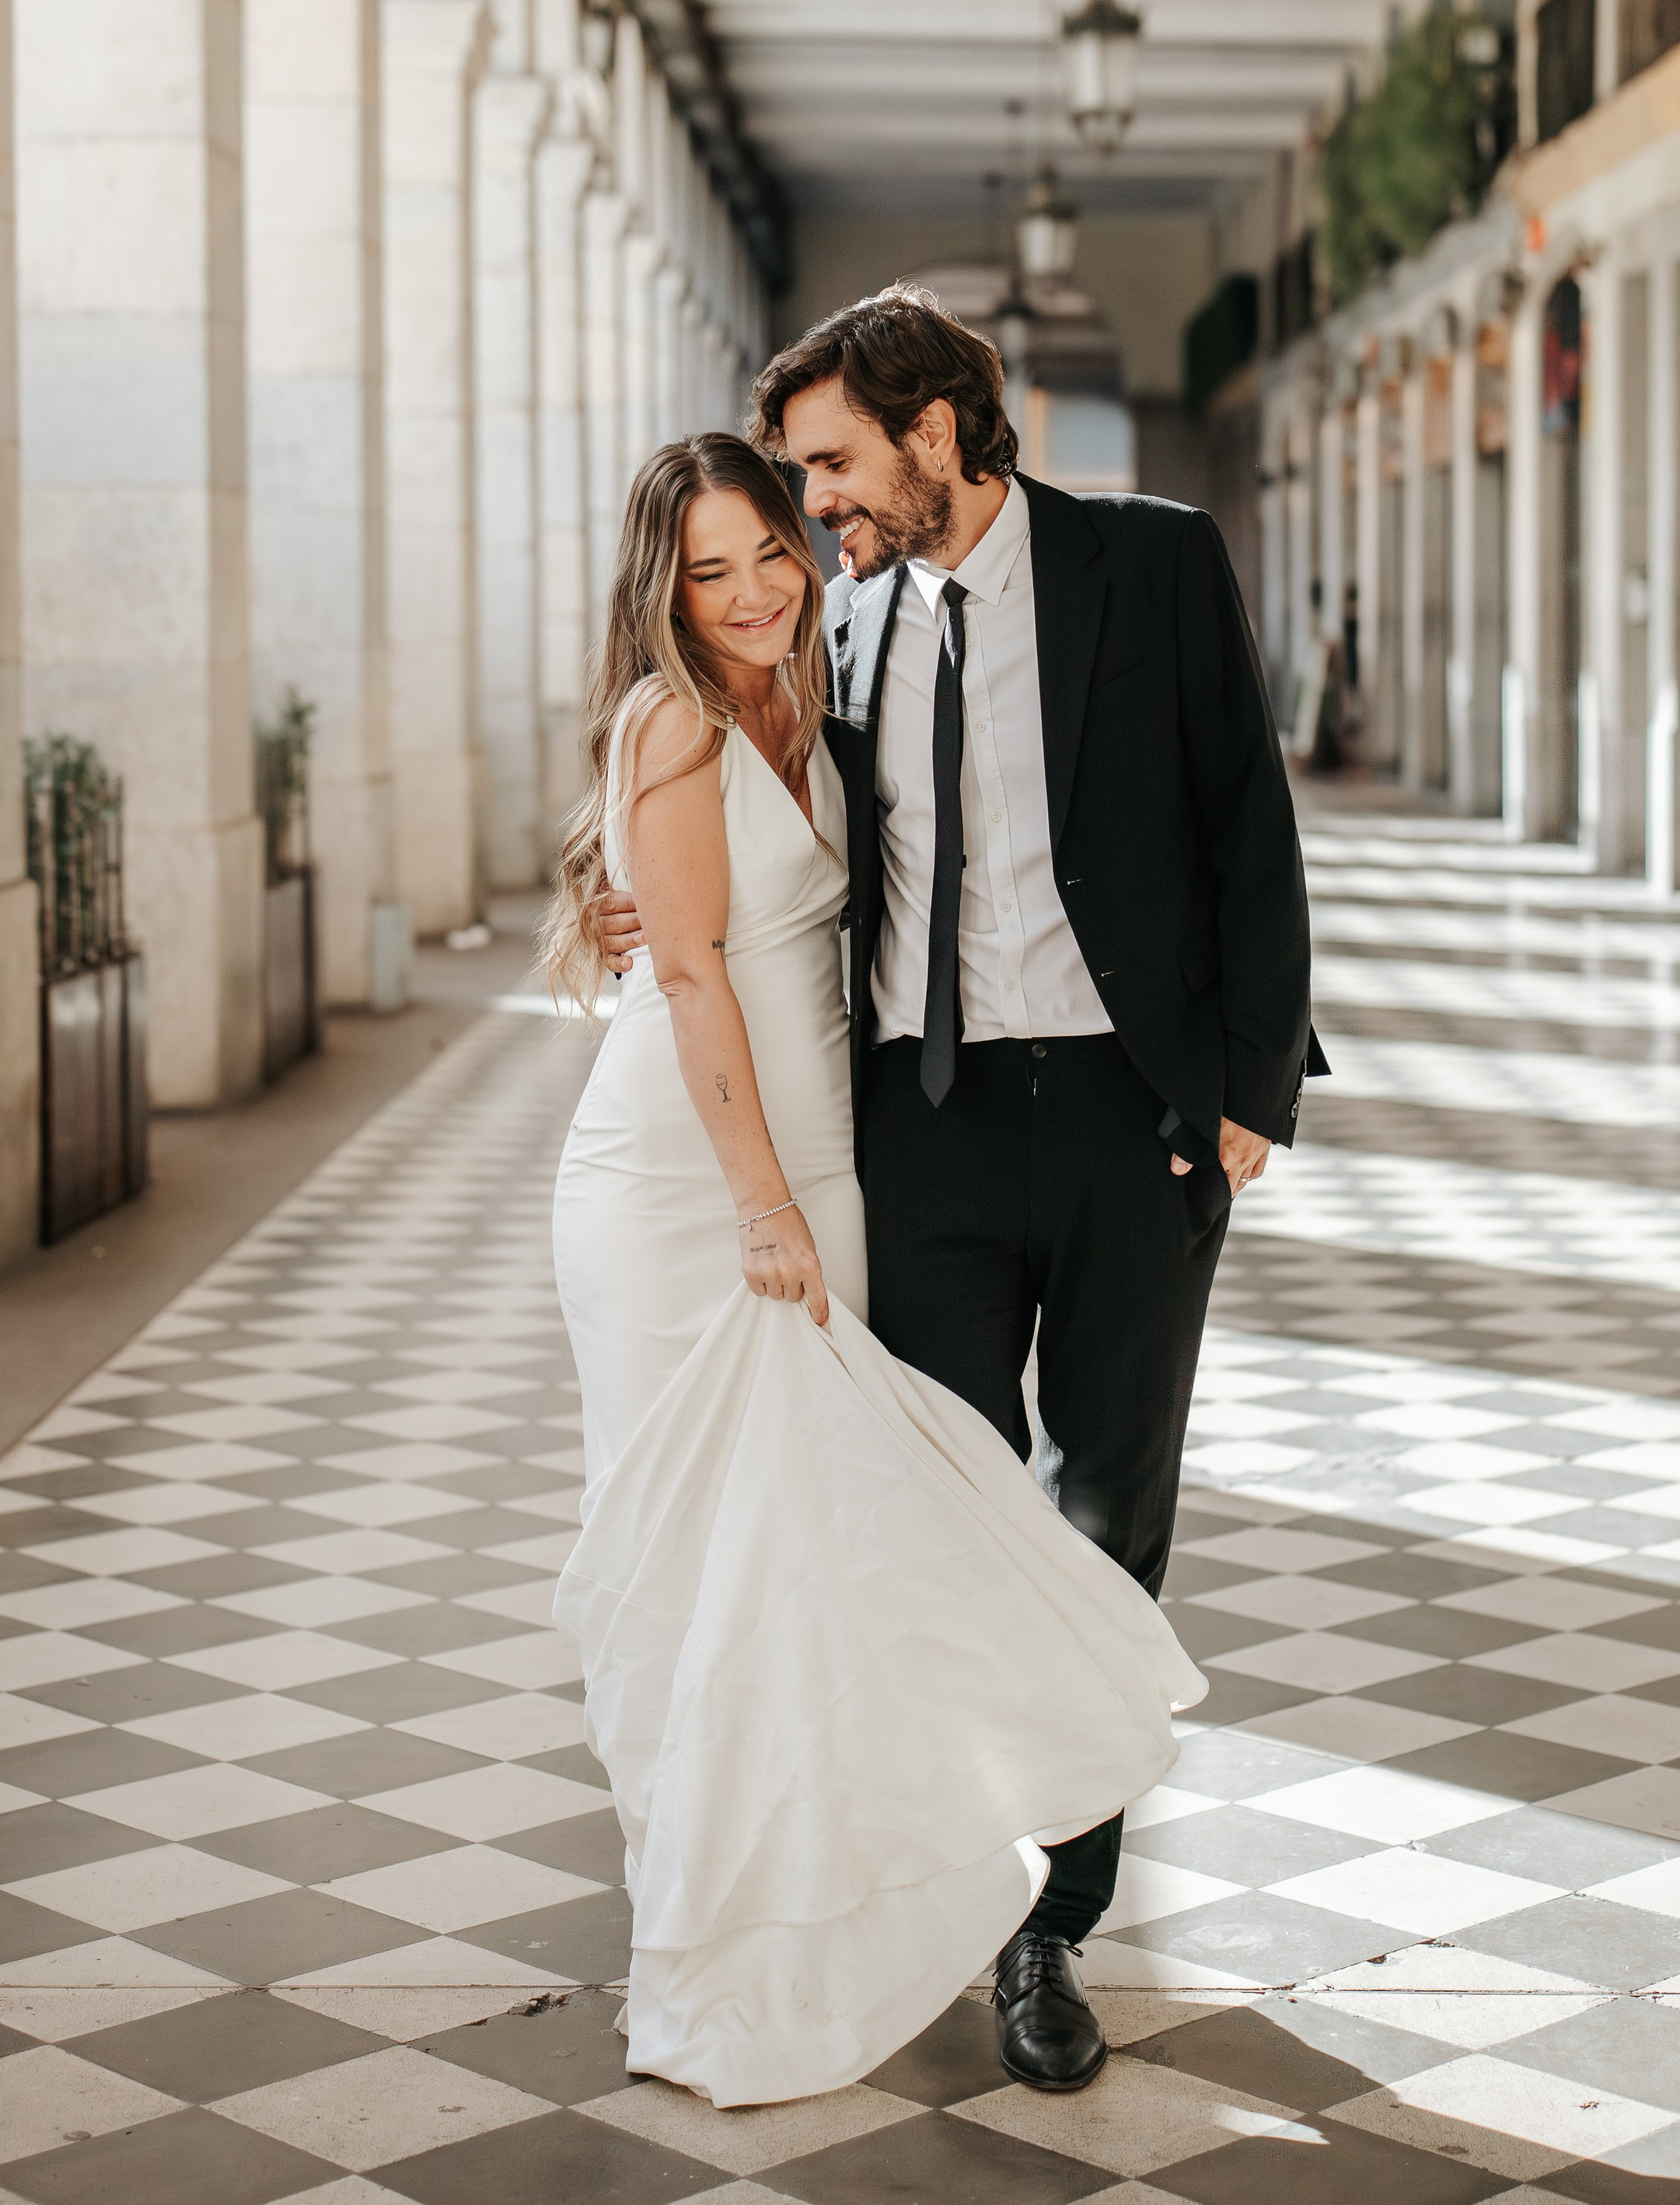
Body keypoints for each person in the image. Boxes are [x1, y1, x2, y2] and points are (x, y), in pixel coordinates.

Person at [597, 286, 1325, 2092]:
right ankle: (934, 1866)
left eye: (834, 468)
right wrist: (632, 904)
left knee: (1107, 1511)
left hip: (1127, 1118)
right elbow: (735, 825)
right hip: (913, 1126)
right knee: (930, 1511)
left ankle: (1049, 1929)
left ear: (937, 432)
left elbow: (1248, 817)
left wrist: (1244, 1092)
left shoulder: (1148, 566)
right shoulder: (831, 628)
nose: (813, 510)